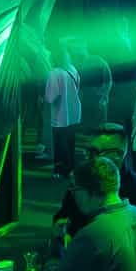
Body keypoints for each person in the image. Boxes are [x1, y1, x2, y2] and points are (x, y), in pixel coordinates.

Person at [44, 41, 84, 177]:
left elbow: (50, 97)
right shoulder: (73, 69)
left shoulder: (54, 73)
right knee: (71, 141)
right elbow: (78, 87)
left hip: (60, 115)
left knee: (60, 144)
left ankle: (61, 171)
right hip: (74, 112)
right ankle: (71, 168)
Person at [76, 38, 113, 132]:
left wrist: (103, 97)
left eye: (79, 48)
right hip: (86, 103)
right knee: (87, 130)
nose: (77, 52)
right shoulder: (77, 65)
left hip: (98, 102)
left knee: (100, 129)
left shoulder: (98, 61)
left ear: (85, 46)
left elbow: (108, 80)